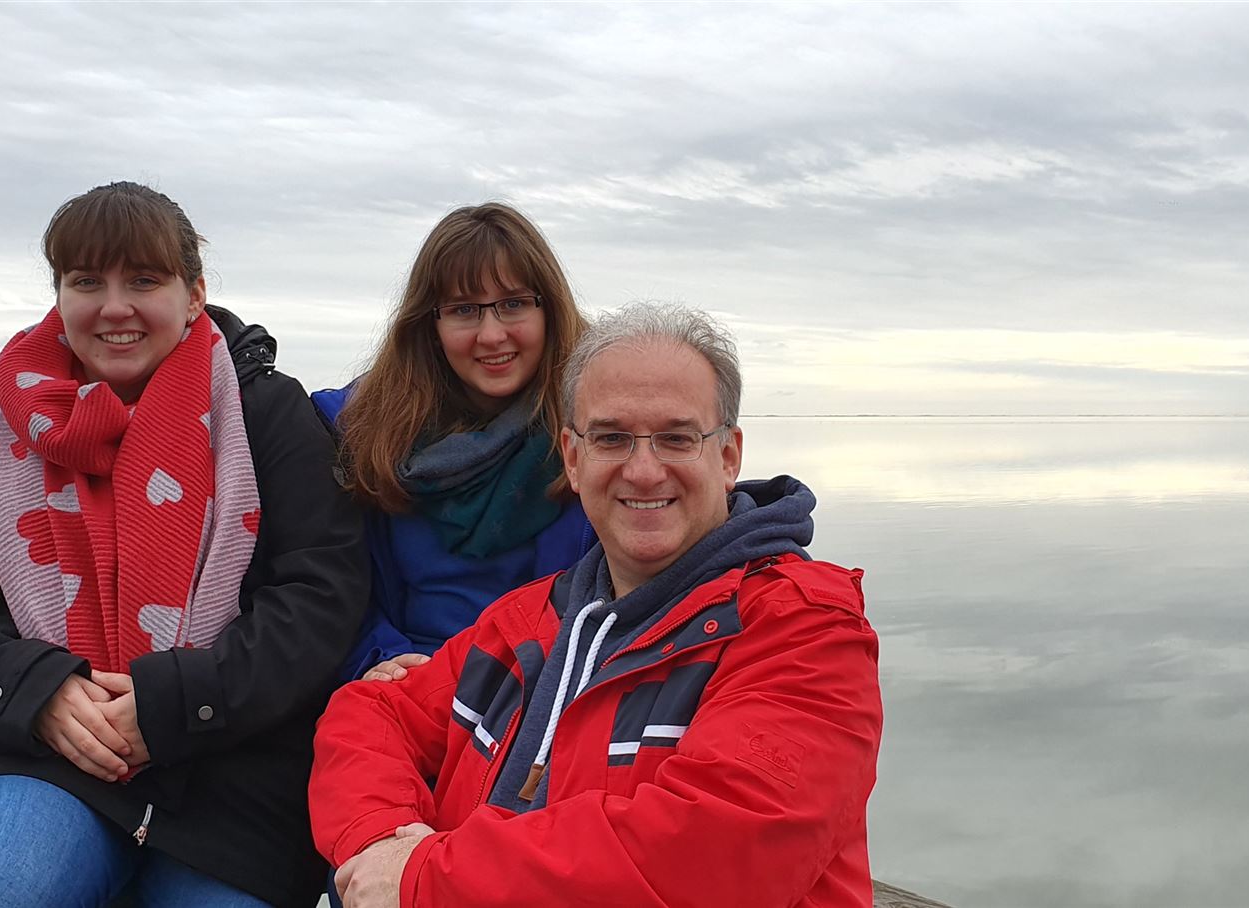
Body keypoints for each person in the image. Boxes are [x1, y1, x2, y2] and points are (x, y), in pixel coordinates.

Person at [0, 181, 369, 908]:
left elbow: (322, 597)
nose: (114, 307)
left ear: (193, 295)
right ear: (59, 295)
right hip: (46, 759)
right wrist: (39, 693)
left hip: (233, 778)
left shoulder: (266, 414)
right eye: (86, 282)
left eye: (143, 280)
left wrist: (174, 704)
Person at [310, 303, 883, 908]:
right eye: (611, 438)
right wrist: (379, 842)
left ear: (728, 456)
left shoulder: (805, 632)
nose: (643, 471)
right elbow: (371, 715)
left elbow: (715, 853)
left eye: (676, 438)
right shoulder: (527, 620)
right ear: (573, 459)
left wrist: (421, 879)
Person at [311, 202, 593, 683]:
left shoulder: (599, 428)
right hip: (408, 684)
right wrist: (378, 658)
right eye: (464, 310)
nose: (492, 334)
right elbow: (326, 584)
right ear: (431, 325)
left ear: (549, 309)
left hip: (550, 688)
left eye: (514, 303)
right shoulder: (354, 433)